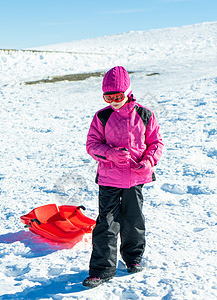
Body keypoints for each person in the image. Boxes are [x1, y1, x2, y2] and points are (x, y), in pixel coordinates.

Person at [82, 66, 163, 288]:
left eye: (118, 96)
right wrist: (110, 154)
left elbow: (156, 144)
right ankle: (101, 270)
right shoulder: (102, 116)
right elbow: (92, 145)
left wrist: (148, 161)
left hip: (136, 179)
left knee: (134, 220)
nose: (114, 101)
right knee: (107, 224)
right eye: (108, 96)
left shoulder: (145, 115)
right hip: (109, 179)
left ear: (128, 91)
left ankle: (133, 259)